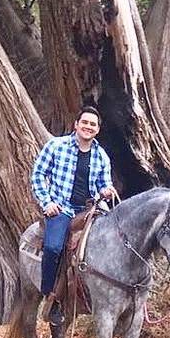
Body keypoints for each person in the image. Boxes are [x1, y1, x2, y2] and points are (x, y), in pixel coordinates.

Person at [30, 106, 118, 307]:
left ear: (97, 130)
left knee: (113, 239)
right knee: (53, 248)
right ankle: (49, 294)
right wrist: (47, 202)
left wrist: (106, 190)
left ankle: (102, 293)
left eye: (93, 124)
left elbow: (103, 184)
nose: (88, 126)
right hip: (61, 208)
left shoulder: (101, 155)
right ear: (76, 125)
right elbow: (38, 174)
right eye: (85, 122)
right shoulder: (56, 146)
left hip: (90, 209)